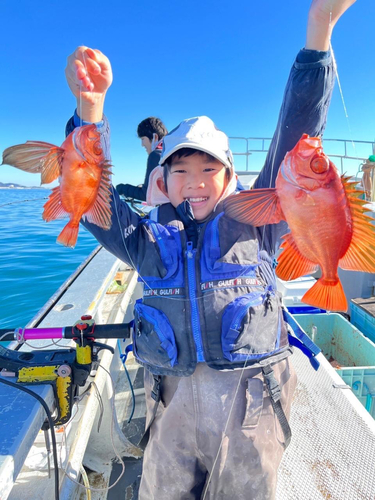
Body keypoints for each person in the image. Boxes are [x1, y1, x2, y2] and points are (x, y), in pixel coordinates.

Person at [64, 1, 356, 498]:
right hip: (172, 413)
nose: (194, 183)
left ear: (230, 179)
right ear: (164, 178)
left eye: (208, 170)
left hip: (252, 413)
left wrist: (318, 32)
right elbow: (91, 201)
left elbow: (297, 132)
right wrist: (91, 112)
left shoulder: (256, 220)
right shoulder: (149, 243)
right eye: (181, 171)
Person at [116, 116, 168, 201]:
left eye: (143, 139)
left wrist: (121, 188)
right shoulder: (170, 152)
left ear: (155, 137)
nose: (142, 144)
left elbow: (146, 195)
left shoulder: (156, 155)